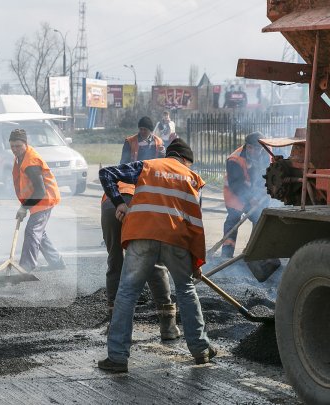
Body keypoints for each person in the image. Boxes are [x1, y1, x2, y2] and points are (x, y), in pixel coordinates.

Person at [97, 138, 215, 372]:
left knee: (127, 292)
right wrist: (197, 262)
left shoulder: (148, 167)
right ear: (185, 160)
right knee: (186, 289)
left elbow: (106, 173)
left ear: (168, 156)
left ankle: (118, 358)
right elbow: (195, 223)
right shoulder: (193, 180)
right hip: (177, 240)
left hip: (143, 236)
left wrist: (119, 203)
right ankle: (201, 350)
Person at [101, 116, 179, 340]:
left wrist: (118, 204)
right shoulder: (158, 180)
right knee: (153, 261)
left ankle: (114, 327)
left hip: (110, 205)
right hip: (138, 205)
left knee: (115, 261)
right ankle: (168, 326)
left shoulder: (123, 174)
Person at [9, 128, 66, 272]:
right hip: (37, 199)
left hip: (45, 198)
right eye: (12, 146)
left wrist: (24, 207)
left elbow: (40, 190)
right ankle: (57, 262)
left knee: (32, 230)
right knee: (39, 232)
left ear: (25, 144)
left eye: (18, 146)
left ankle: (26, 267)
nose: (14, 149)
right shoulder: (21, 156)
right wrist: (24, 205)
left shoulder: (31, 162)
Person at [221, 132, 271, 257]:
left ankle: (252, 253)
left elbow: (268, 174)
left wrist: (262, 194)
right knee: (233, 219)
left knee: (259, 219)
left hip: (256, 194)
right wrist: (251, 199)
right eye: (254, 149)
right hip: (235, 194)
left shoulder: (267, 152)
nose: (257, 152)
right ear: (248, 147)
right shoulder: (234, 159)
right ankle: (226, 254)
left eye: (260, 149)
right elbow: (236, 184)